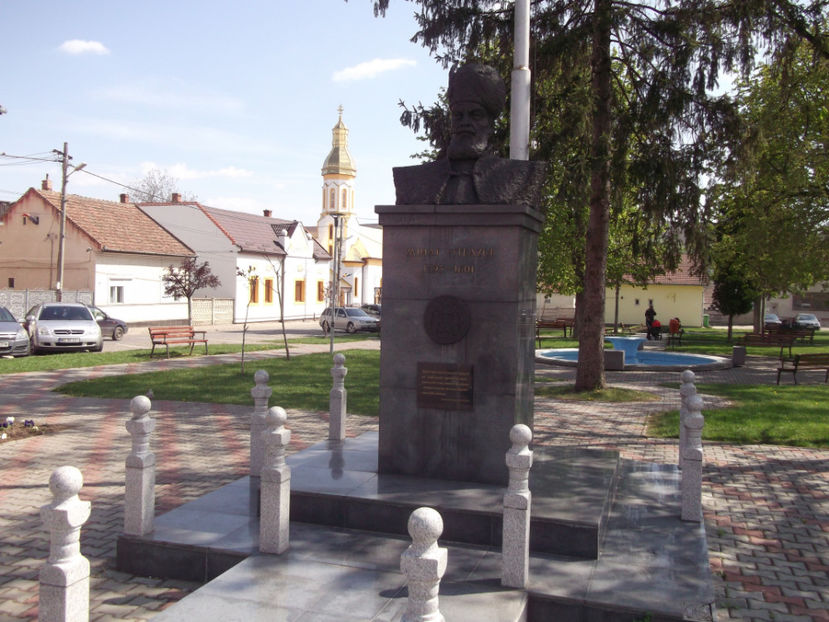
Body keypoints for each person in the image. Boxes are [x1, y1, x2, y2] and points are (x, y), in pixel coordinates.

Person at [392, 63, 547, 208]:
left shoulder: (520, 178)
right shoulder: (413, 180)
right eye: (458, 115)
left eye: (475, 115)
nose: (465, 122)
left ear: (491, 124)